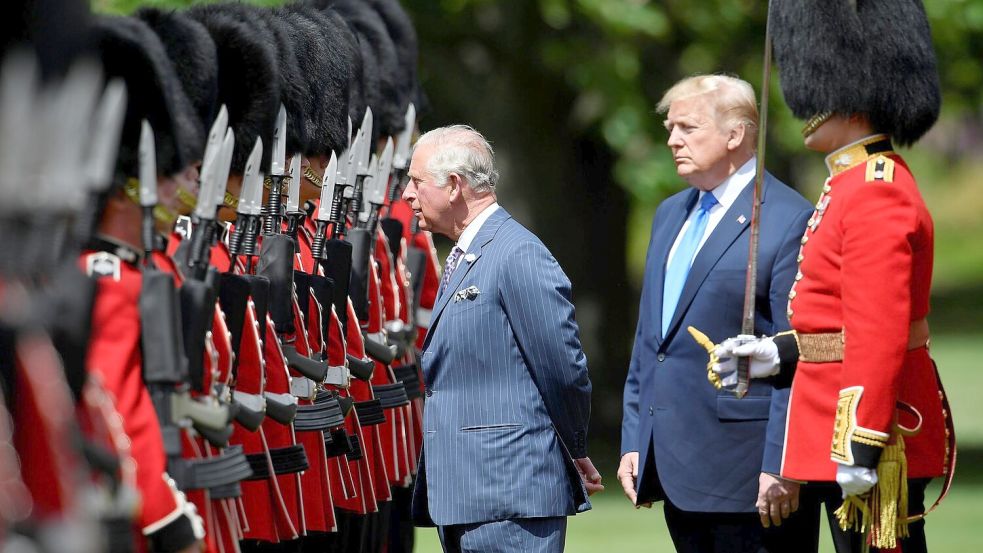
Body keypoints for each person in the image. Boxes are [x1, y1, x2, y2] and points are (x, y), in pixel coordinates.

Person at [717, 1, 953, 552]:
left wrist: (863, 443)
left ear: (856, 99)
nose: (807, 108)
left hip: (874, 430)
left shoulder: (875, 190)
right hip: (826, 420)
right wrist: (779, 354)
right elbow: (835, 321)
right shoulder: (848, 186)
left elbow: (879, 331)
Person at [617, 74, 813, 553]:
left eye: (687, 127)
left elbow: (802, 352)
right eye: (670, 127)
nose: (672, 139)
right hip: (675, 466)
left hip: (751, 477)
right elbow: (651, 343)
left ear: (735, 134)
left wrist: (783, 463)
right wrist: (634, 437)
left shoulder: (788, 218)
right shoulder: (669, 215)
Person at [402, 125, 601, 552]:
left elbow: (563, 368)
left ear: (454, 186)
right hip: (468, 493)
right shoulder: (471, 253)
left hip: (509, 493)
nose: (406, 193)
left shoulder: (516, 253)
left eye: (416, 181)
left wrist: (573, 445)